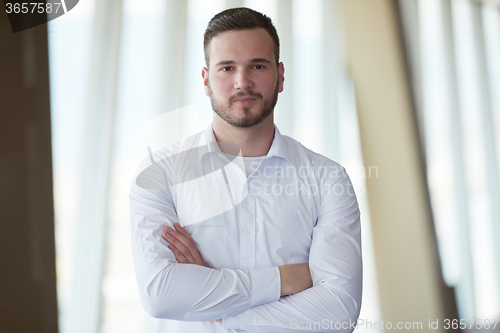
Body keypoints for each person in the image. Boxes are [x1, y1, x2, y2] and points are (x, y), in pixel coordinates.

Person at [130, 7, 362, 333]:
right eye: (227, 68)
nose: (243, 82)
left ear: (280, 76)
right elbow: (161, 295)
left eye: (257, 65)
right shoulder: (161, 173)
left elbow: (339, 313)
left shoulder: (327, 179)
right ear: (206, 80)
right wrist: (284, 279)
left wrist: (218, 307)